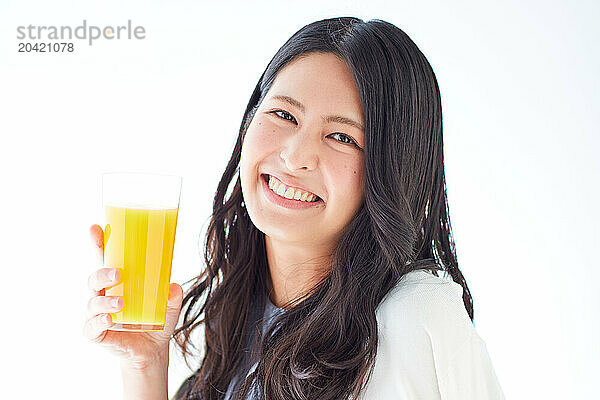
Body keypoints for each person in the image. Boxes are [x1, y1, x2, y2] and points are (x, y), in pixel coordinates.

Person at [84, 16, 505, 400]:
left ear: (391, 169)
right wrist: (145, 365)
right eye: (284, 114)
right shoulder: (240, 318)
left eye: (341, 137)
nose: (295, 155)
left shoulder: (415, 316)